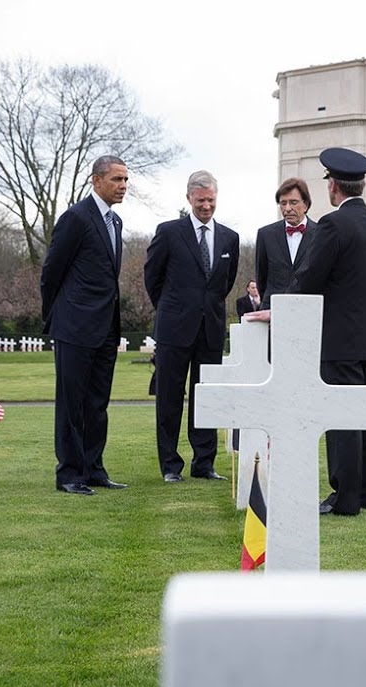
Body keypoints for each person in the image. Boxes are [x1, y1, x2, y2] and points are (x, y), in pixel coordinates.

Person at [280, 147, 366, 516]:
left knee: (342, 418)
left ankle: (344, 498)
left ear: (333, 186)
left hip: (340, 339)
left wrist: (282, 304)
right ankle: (365, 493)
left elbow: (310, 277)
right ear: (361, 184)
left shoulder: (332, 224)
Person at [39, 155, 130, 496]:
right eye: (116, 179)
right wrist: (57, 317)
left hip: (106, 327)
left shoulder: (116, 222)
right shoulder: (75, 218)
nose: (123, 186)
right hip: (74, 326)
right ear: (96, 180)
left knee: (97, 404)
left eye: (125, 180)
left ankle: (94, 469)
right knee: (72, 403)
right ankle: (69, 474)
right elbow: (51, 273)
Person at [144, 170, 240, 483]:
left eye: (211, 200)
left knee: (207, 397)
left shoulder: (229, 238)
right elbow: (153, 278)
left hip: (210, 329)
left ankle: (204, 463)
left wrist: (204, 309)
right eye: (200, 201)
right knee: (170, 398)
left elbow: (223, 284)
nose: (206, 206)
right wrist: (173, 309)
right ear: (189, 199)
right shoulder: (169, 232)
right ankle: (170, 465)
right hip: (174, 329)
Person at [254, 177, 316, 308]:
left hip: (309, 309)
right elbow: (261, 278)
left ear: (305, 205)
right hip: (272, 310)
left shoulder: (320, 234)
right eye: (283, 203)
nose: (287, 208)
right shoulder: (265, 235)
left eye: (293, 202)